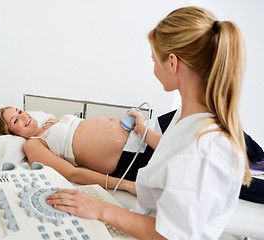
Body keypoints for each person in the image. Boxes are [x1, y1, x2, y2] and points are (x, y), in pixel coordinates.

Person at [46, 6, 252, 239]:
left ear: (173, 63)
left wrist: (100, 208)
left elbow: (170, 235)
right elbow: (175, 151)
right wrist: (143, 132)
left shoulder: (205, 149)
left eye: (154, 59)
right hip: (141, 213)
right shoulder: (187, 117)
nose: (154, 67)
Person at [0, 106, 160, 195]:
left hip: (143, 133)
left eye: (19, 111)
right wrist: (125, 185)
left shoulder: (50, 121)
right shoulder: (33, 144)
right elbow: (73, 173)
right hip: (132, 158)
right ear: (11, 133)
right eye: (15, 121)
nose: (23, 116)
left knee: (188, 127)